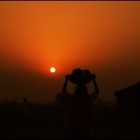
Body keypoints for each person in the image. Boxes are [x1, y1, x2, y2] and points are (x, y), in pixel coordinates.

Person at [60, 68, 100, 138]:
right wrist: (94, 80)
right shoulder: (88, 99)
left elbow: (63, 92)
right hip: (84, 128)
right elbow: (97, 92)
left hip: (74, 128)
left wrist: (66, 80)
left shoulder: (73, 99)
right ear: (85, 90)